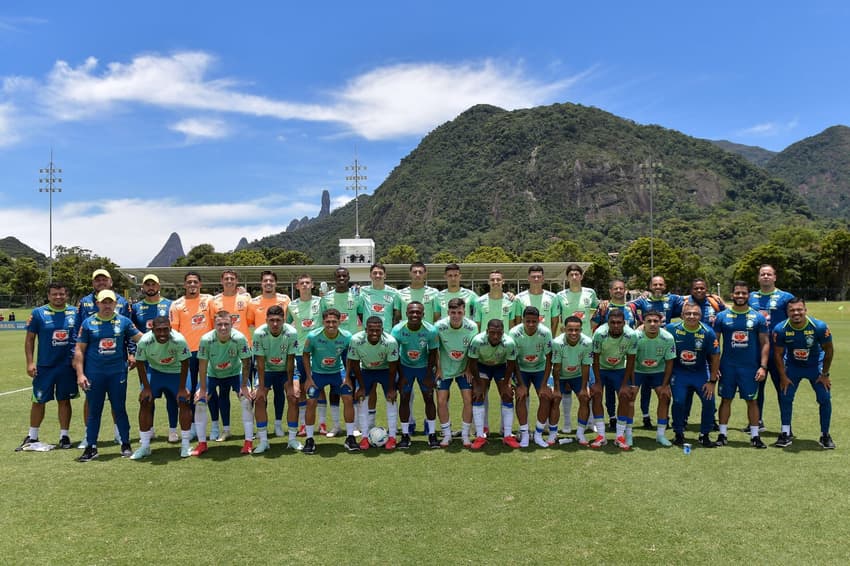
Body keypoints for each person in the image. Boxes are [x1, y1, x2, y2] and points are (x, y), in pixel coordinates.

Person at [74, 290, 142, 461]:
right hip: (94, 374)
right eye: (103, 302)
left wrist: (164, 338)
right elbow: (79, 350)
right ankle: (91, 447)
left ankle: (125, 444)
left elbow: (141, 339)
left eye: (109, 302)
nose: (106, 305)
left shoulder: (124, 321)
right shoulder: (88, 323)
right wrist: (80, 374)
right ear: (97, 304)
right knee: (94, 410)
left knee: (119, 409)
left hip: (117, 373)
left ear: (115, 304)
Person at [18, 282, 78, 451]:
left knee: (64, 401)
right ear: (48, 295)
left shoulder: (75, 312)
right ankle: (32, 435)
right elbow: (30, 339)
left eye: (61, 294)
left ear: (66, 294)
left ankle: (64, 436)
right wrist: (30, 362)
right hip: (45, 366)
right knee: (38, 400)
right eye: (54, 294)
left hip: (67, 366)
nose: (58, 297)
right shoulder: (38, 313)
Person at [75, 268, 131, 448]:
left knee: (118, 403)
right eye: (97, 280)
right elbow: (78, 333)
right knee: (91, 402)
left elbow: (131, 331)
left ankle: (120, 435)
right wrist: (78, 364)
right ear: (93, 283)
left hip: (117, 363)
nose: (101, 282)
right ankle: (88, 437)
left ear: (111, 282)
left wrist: (131, 352)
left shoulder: (123, 302)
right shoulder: (84, 303)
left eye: (104, 279)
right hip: (93, 364)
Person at [772, 297, 834, 449]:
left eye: (799, 309)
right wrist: (783, 376)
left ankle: (825, 435)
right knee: (785, 396)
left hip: (815, 366)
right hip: (793, 366)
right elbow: (778, 354)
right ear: (787, 312)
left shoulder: (818, 327)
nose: (796, 313)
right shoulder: (780, 329)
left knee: (824, 398)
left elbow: (829, 350)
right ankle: (785, 433)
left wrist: (825, 374)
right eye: (792, 310)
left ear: (805, 310)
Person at [712, 282, 769, 449]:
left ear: (748, 295)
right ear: (732, 295)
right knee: (725, 399)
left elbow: (765, 343)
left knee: (752, 401)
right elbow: (715, 343)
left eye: (744, 293)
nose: (740, 296)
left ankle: (755, 436)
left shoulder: (757, 317)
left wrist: (763, 366)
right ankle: (722, 434)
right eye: (737, 293)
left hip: (750, 367)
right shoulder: (722, 316)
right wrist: (715, 367)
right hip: (728, 366)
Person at [190, 310, 252, 456]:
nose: (223, 328)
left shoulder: (240, 338)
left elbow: (246, 362)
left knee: (246, 400)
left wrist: (244, 386)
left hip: (235, 373)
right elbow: (203, 365)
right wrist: (203, 389)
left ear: (232, 324)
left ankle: (248, 442)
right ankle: (202, 444)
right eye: (219, 324)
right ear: (214, 324)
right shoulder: (206, 339)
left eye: (226, 324)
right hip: (213, 374)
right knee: (200, 402)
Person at [297, 309, 358, 454]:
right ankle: (310, 439)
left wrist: (348, 376)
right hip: (318, 374)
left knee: (348, 399)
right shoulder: (313, 336)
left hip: (338, 372)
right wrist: (309, 377)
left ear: (339, 322)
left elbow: (350, 357)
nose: (331, 324)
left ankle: (350, 437)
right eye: (328, 322)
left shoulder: (347, 336)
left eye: (334, 322)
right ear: (323, 322)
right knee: (311, 402)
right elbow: (305, 355)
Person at [131, 317, 192, 459]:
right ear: (152, 330)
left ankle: (185, 445)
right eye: (159, 330)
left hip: (177, 372)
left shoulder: (179, 340)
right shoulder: (145, 341)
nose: (163, 333)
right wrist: (146, 387)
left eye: (166, 329)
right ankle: (145, 446)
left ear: (171, 328)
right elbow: (140, 363)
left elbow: (185, 363)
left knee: (184, 400)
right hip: (156, 372)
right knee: (145, 400)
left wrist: (182, 388)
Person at [630, 275, 684, 430]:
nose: (658, 287)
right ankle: (645, 417)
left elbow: (687, 306)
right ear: (650, 286)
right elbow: (629, 306)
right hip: (646, 343)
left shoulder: (672, 299)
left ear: (665, 286)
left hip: (664, 345)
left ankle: (665, 418)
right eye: (655, 284)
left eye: (661, 284)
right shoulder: (643, 300)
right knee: (644, 388)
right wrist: (639, 323)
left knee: (661, 386)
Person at [130, 274, 178, 442]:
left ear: (159, 286)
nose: (150, 287)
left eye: (153, 284)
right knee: (148, 395)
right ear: (143, 287)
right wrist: (132, 352)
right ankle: (149, 429)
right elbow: (131, 331)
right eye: (147, 284)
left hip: (169, 357)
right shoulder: (136, 308)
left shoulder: (170, 305)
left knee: (172, 396)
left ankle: (173, 430)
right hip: (147, 359)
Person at [208, 270, 255, 441]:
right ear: (221, 281)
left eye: (232, 279)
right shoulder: (214, 301)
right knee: (219, 393)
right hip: (219, 350)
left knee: (247, 393)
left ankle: (251, 429)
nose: (229, 281)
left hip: (242, 351)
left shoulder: (246, 299)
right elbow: (210, 323)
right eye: (226, 278)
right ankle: (221, 428)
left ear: (237, 281)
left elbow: (251, 320)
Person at [667, 301, 721, 448]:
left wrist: (712, 381)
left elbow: (716, 356)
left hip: (700, 373)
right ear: (682, 315)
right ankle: (678, 433)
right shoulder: (672, 329)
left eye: (695, 313)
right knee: (678, 402)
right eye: (688, 313)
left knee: (709, 402)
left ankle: (704, 435)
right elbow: (654, 331)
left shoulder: (707, 332)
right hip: (679, 373)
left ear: (701, 316)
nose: (692, 316)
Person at [748, 264, 795, 432]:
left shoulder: (786, 296)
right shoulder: (751, 297)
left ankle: (786, 426)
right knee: (756, 388)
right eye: (762, 274)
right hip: (756, 351)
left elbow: (795, 317)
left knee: (782, 387)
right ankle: (756, 421)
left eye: (769, 274)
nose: (766, 277)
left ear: (775, 277)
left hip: (778, 352)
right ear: (758, 278)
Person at [168, 271, 213, 441]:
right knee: (188, 390)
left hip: (206, 353)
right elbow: (173, 332)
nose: (192, 285)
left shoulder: (209, 300)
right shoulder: (177, 304)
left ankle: (214, 426)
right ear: (185, 285)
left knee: (207, 390)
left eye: (195, 282)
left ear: (200, 284)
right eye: (189, 282)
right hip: (186, 355)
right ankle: (192, 427)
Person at [556, 263, 599, 434]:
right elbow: (555, 318)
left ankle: (590, 422)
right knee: (566, 386)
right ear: (567, 277)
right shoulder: (560, 296)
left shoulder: (590, 293)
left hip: (585, 345)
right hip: (567, 344)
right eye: (571, 274)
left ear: (581, 276)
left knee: (588, 384)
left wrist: (590, 329)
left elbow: (596, 314)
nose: (574, 277)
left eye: (577, 274)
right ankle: (566, 423)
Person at [467, 319, 521, 449]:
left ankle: (507, 435)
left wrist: (507, 383)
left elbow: (511, 364)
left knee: (507, 395)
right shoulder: (477, 341)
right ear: (487, 331)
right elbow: (472, 363)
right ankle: (480, 436)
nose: (495, 336)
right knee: (478, 395)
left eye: (499, 333)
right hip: (482, 366)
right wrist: (479, 384)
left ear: (503, 332)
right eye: (492, 333)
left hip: (500, 367)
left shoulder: (509, 343)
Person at [348, 317, 401, 450]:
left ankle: (393, 437)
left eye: (378, 330)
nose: (374, 333)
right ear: (366, 330)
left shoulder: (390, 342)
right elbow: (354, 363)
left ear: (382, 330)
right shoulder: (356, 340)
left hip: (385, 371)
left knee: (391, 399)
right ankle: (365, 437)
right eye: (371, 330)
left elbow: (393, 367)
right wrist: (361, 386)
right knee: (361, 398)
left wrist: (391, 388)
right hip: (366, 371)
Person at [391, 301, 439, 448]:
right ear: (406, 313)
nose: (415, 315)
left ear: (423, 314)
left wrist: (429, 375)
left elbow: (432, 352)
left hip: (423, 367)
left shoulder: (431, 330)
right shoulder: (398, 330)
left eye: (418, 312)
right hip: (405, 367)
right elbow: (395, 355)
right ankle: (405, 435)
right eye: (412, 312)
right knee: (404, 399)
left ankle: (432, 434)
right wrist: (401, 376)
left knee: (429, 398)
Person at [591, 278, 637, 430]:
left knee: (623, 391)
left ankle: (624, 423)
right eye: (615, 289)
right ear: (610, 291)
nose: (618, 291)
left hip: (623, 358)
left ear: (625, 291)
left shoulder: (631, 308)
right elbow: (592, 326)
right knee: (607, 392)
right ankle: (611, 417)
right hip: (604, 356)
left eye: (621, 288)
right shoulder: (604, 307)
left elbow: (636, 328)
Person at [252, 305, 299, 452]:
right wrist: (260, 388)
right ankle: (264, 441)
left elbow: (291, 360)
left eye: (278, 320)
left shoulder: (291, 332)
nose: (275, 324)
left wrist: (291, 385)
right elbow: (259, 362)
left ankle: (292, 439)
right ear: (266, 320)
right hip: (266, 370)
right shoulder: (259, 333)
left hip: (286, 370)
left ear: (284, 320)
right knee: (259, 399)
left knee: (293, 397)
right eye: (271, 320)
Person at [321, 267, 362, 437]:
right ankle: (336, 425)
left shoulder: (356, 296)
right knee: (334, 386)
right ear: (335, 278)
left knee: (353, 385)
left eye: (345, 276)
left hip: (351, 346)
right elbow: (321, 322)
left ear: (349, 277)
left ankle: (355, 425)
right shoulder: (327, 298)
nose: (342, 278)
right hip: (331, 346)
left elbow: (362, 317)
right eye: (339, 276)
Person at [251, 270, 292, 437]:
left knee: (280, 392)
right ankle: (261, 428)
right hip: (262, 349)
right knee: (260, 391)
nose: (268, 283)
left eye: (271, 281)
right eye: (265, 281)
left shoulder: (285, 300)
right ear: (261, 284)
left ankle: (277, 425)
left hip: (281, 347)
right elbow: (248, 322)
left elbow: (289, 322)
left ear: (276, 283)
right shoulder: (252, 302)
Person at [509, 306, 556, 448]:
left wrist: (543, 385)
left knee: (546, 396)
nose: (530, 324)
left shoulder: (545, 333)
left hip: (540, 369)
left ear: (539, 321)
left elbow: (549, 359)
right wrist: (521, 385)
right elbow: (513, 360)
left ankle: (538, 434)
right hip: (520, 369)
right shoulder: (514, 333)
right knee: (521, 396)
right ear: (522, 320)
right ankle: (524, 433)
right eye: (527, 321)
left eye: (534, 322)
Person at [590, 309, 638, 448]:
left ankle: (620, 436)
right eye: (613, 323)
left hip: (619, 369)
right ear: (608, 323)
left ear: (624, 323)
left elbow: (630, 360)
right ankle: (601, 436)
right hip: (601, 369)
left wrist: (625, 384)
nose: (616, 325)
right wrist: (598, 382)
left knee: (624, 396)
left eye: (619, 323)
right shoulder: (599, 334)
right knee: (597, 395)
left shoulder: (631, 335)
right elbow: (595, 359)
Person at [434, 298, 478, 447]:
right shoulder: (439, 326)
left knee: (468, 400)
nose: (456, 316)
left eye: (459, 312)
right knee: (441, 400)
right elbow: (436, 349)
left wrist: (468, 369)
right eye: (453, 312)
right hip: (444, 369)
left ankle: (465, 435)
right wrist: (438, 368)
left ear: (464, 312)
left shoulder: (471, 327)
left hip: (463, 368)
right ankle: (447, 435)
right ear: (448, 312)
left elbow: (472, 350)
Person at [286, 273, 326, 435]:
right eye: (301, 283)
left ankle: (322, 424)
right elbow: (286, 325)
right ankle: (303, 424)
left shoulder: (320, 302)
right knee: (302, 387)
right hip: (299, 351)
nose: (304, 285)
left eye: (307, 282)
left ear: (312, 285)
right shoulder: (291, 306)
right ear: (297, 286)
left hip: (318, 350)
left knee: (320, 385)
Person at [632, 311, 676, 446]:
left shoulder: (668, 338)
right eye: (649, 321)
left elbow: (669, 363)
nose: (652, 324)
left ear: (661, 323)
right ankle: (627, 434)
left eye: (655, 321)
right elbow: (630, 359)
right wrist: (632, 383)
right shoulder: (635, 336)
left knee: (665, 397)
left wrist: (665, 385)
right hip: (638, 370)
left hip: (658, 372)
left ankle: (660, 435)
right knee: (628, 397)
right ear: (643, 323)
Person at [552, 316, 597, 446]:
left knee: (585, 398)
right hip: (560, 375)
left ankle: (580, 433)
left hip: (577, 375)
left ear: (581, 330)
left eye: (577, 330)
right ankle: (553, 434)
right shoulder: (557, 342)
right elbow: (556, 368)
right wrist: (556, 389)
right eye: (570, 330)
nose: (573, 333)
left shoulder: (587, 342)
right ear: (563, 329)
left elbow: (585, 366)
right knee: (555, 399)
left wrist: (584, 388)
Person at [513, 265, 560, 335]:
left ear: (543, 279)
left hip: (545, 339)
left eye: (539, 277)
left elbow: (555, 322)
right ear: (528, 278)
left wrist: (551, 339)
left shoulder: (553, 297)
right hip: (526, 339)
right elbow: (518, 322)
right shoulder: (519, 298)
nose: (536, 279)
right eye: (533, 277)